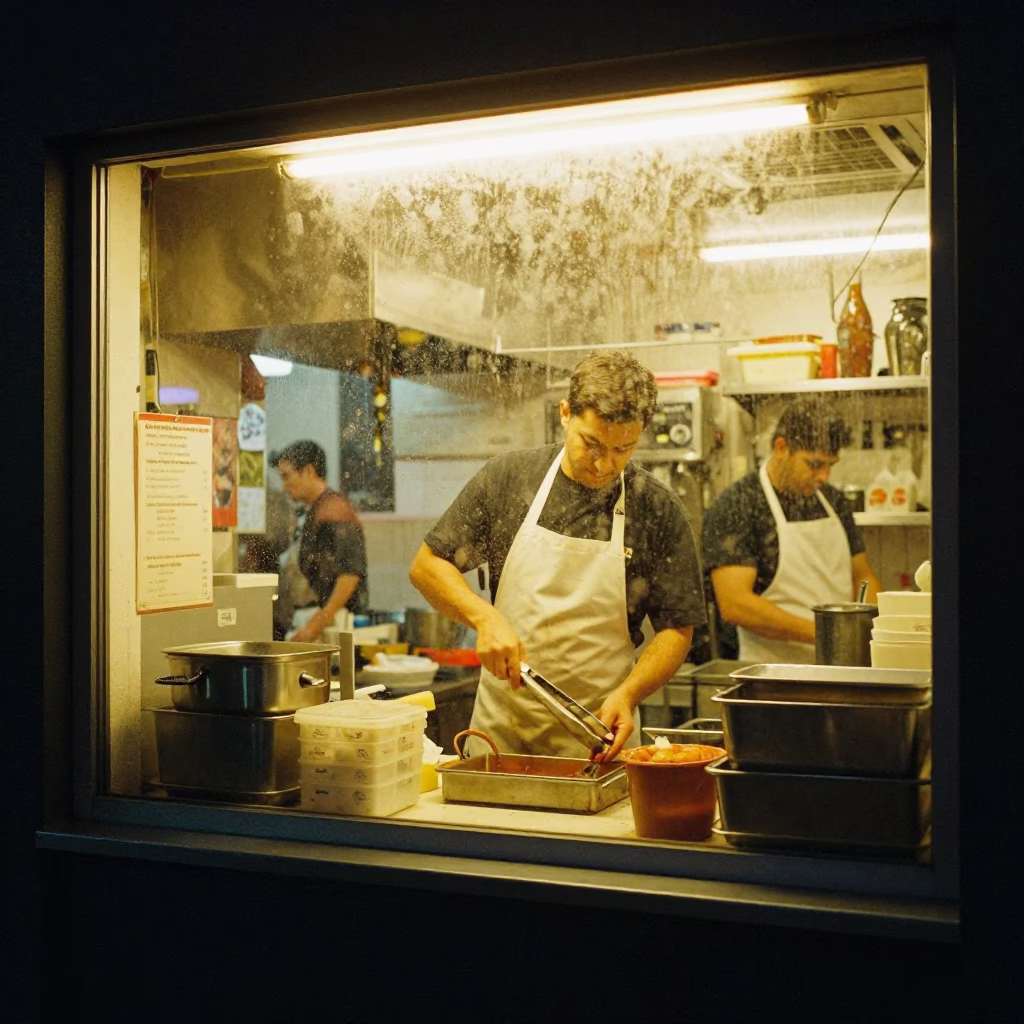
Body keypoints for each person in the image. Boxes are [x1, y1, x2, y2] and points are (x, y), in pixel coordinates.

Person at [408, 351, 706, 761]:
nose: (604, 464)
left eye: (624, 449)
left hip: (597, 739)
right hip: (500, 737)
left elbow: (677, 629)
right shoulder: (509, 480)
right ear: (566, 414)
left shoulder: (656, 508)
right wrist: (485, 618)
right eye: (592, 443)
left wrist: (629, 693)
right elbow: (427, 566)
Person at [701, 399, 882, 664]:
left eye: (830, 465)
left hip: (844, 665)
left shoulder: (833, 501)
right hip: (774, 674)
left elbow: (862, 576)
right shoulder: (738, 505)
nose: (824, 477)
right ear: (781, 448)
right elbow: (735, 604)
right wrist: (828, 636)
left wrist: (873, 627)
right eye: (814, 464)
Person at [269, 440, 369, 642]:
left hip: (331, 623)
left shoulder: (334, 510)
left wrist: (316, 624)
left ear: (308, 471)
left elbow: (350, 574)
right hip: (317, 619)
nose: (283, 486)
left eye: (287, 476)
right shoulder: (314, 509)